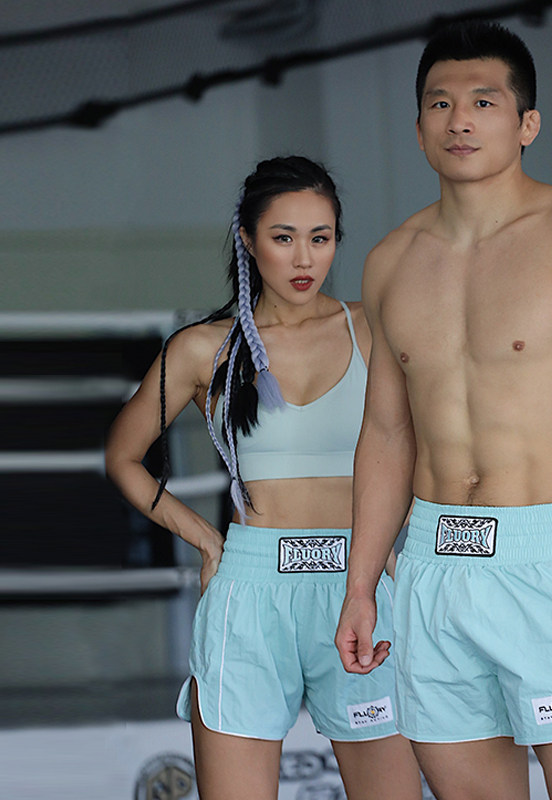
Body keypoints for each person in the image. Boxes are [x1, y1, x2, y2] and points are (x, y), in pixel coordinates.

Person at [335, 21, 552, 800]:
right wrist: (360, 585)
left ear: (527, 124)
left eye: (483, 102)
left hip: (549, 562)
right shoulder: (390, 261)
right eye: (440, 103)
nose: (459, 120)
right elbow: (386, 432)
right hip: (431, 567)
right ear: (418, 127)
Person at [106, 156, 421, 800]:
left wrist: (401, 541)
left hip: (360, 585)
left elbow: (427, 444)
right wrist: (206, 539)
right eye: (284, 237)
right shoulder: (202, 347)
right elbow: (123, 456)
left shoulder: (376, 327)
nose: (304, 258)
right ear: (248, 240)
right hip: (250, 589)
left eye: (320, 237)